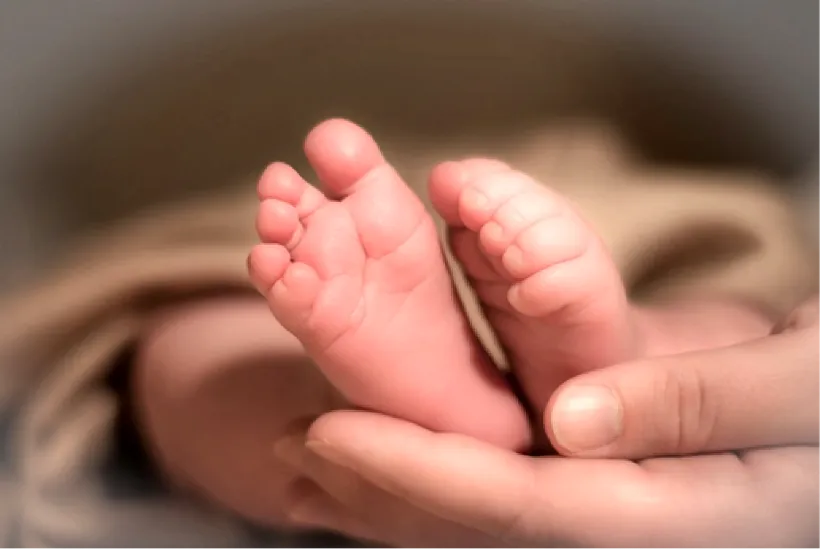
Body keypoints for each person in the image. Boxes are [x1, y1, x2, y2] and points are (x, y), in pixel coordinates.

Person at [0, 118, 816, 549]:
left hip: (633, 218)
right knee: (735, 314)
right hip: (643, 223)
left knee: (187, 352)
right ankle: (636, 349)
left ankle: (321, 399)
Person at [272, 295, 820, 549]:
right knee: (748, 327)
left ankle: (346, 393)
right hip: (674, 246)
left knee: (218, 350)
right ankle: (641, 348)